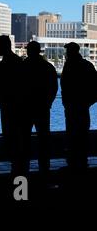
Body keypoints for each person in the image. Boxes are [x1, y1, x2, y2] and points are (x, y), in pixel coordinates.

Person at [0, 35, 28, 176]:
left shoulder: (8, 63)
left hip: (11, 105)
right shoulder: (15, 61)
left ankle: (18, 167)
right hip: (13, 104)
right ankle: (19, 166)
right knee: (15, 134)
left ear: (4, 46)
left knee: (13, 134)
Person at [61, 42, 97, 174]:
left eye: (67, 52)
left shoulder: (71, 65)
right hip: (80, 106)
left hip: (74, 106)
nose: (65, 54)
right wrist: (88, 102)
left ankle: (75, 162)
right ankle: (80, 162)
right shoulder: (86, 65)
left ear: (71, 52)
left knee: (73, 133)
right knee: (81, 133)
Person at [24, 41, 58, 177]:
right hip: (43, 107)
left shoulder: (23, 66)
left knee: (24, 138)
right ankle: (45, 166)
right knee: (44, 138)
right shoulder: (48, 67)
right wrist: (48, 102)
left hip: (26, 108)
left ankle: (24, 166)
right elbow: (54, 87)